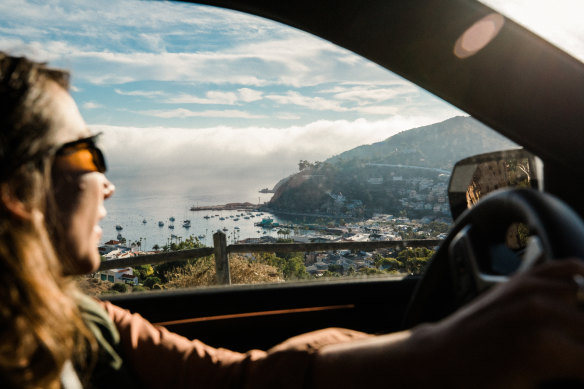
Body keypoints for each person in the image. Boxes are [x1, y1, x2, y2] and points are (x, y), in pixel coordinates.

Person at [2, 51, 584, 388]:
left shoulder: (77, 319)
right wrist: (447, 347)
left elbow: (235, 383)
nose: (107, 182)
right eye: (84, 155)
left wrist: (433, 343)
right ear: (14, 190)